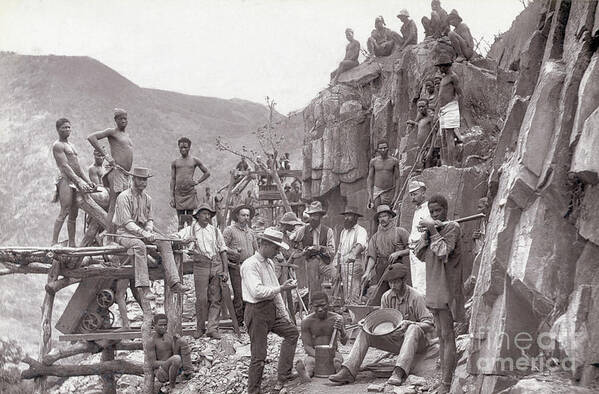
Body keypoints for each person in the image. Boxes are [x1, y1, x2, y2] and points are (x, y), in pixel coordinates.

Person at [329, 264, 433, 386]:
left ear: (404, 281)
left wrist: (410, 323)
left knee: (413, 328)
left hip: (418, 343)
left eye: (396, 282)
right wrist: (367, 323)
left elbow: (430, 324)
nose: (393, 286)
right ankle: (348, 371)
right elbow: (383, 324)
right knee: (364, 332)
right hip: (396, 340)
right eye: (390, 283)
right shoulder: (386, 296)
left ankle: (399, 371)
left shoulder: (417, 297)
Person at [113, 167, 189, 301]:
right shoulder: (123, 197)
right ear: (133, 179)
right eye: (140, 179)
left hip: (143, 232)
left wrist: (148, 229)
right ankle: (145, 287)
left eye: (145, 180)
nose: (143, 182)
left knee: (165, 242)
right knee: (139, 245)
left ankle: (175, 282)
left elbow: (150, 219)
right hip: (124, 234)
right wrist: (144, 233)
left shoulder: (147, 198)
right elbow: (127, 223)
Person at [414, 194, 464, 394]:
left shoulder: (452, 227)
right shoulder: (435, 231)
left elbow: (443, 251)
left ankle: (446, 382)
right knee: (441, 337)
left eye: (438, 211)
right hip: (434, 289)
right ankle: (443, 379)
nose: (435, 214)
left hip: (447, 290)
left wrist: (433, 229)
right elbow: (418, 254)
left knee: (447, 335)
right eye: (432, 212)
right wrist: (427, 233)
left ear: (446, 210)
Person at [241, 228, 299, 393]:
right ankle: (254, 390)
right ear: (264, 244)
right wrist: (281, 287)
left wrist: (284, 314)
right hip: (256, 311)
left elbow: (275, 292)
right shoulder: (250, 265)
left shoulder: (270, 263)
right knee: (259, 356)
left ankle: (284, 373)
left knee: (292, 333)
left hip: (270, 309)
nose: (278, 251)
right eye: (276, 248)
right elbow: (257, 292)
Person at [175, 203, 229, 339]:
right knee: (201, 299)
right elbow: (174, 238)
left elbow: (223, 250)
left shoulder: (215, 230)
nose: (207, 216)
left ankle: (212, 329)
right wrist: (185, 241)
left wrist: (225, 270)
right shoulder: (190, 230)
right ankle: (200, 328)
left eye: (209, 214)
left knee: (216, 298)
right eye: (204, 214)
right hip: (200, 265)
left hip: (216, 264)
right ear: (197, 215)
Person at [87, 108, 134, 237]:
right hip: (116, 172)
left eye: (125, 118)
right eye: (120, 119)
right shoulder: (112, 132)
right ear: (116, 120)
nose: (123, 121)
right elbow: (91, 137)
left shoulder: (127, 135)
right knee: (114, 204)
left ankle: (120, 234)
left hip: (125, 174)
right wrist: (106, 156)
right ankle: (109, 235)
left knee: (124, 204)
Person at [51, 118, 95, 246]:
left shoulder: (71, 145)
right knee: (64, 210)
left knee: (73, 214)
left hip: (76, 180)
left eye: (69, 127)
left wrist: (87, 181)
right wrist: (78, 181)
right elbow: (64, 165)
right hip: (65, 180)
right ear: (58, 129)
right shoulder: (57, 145)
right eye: (64, 127)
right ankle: (53, 242)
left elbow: (78, 167)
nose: (67, 130)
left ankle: (72, 243)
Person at [362, 205, 410, 305]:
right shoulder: (375, 237)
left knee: (399, 293)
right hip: (381, 269)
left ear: (390, 217)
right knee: (382, 296)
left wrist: (398, 253)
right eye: (380, 217)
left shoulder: (400, 232)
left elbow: (412, 249)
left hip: (397, 267)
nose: (382, 219)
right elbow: (372, 257)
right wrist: (367, 272)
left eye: (384, 216)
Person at [296, 291, 348, 382]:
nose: (320, 309)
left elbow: (344, 342)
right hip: (314, 354)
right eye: (316, 306)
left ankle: (340, 375)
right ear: (311, 306)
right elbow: (307, 346)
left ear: (328, 304)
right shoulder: (307, 322)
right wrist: (321, 357)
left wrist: (342, 330)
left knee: (337, 361)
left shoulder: (337, 318)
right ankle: (306, 375)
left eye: (323, 305)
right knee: (310, 363)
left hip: (333, 353)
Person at [291, 201, 335, 301]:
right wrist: (300, 250)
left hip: (324, 261)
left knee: (336, 276)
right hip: (311, 261)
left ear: (320, 216)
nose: (312, 218)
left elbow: (332, 251)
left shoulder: (328, 231)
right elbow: (291, 239)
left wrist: (320, 248)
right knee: (313, 286)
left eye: (315, 215)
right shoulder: (303, 229)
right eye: (311, 215)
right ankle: (313, 307)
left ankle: (332, 301)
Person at [223, 204, 258, 327]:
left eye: (248, 215)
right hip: (236, 266)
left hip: (250, 268)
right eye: (243, 215)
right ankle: (237, 322)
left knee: (250, 292)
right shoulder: (229, 230)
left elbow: (256, 250)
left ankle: (248, 320)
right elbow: (221, 247)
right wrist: (233, 252)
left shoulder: (251, 232)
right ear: (237, 216)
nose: (246, 218)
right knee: (239, 294)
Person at [170, 137, 210, 229]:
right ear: (178, 148)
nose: (183, 149)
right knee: (180, 223)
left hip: (190, 194)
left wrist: (197, 181)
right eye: (181, 147)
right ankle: (180, 242)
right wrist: (172, 196)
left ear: (189, 148)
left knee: (189, 221)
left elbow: (207, 172)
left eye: (185, 147)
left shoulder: (194, 160)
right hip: (178, 194)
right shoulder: (175, 162)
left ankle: (189, 242)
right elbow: (172, 179)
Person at [148, 313, 193, 392]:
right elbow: (153, 363)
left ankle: (188, 372)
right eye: (160, 325)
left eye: (165, 325)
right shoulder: (151, 341)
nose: (163, 327)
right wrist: (169, 362)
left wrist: (177, 342)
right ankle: (172, 386)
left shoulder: (169, 337)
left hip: (173, 369)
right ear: (154, 325)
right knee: (176, 359)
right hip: (161, 372)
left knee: (182, 341)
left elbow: (174, 353)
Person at [334, 206, 368, 303]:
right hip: (344, 264)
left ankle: (354, 308)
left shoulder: (361, 230)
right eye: (345, 215)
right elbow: (340, 251)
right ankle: (348, 309)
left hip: (355, 264)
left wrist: (353, 254)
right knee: (346, 290)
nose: (346, 218)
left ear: (356, 217)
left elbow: (360, 244)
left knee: (353, 289)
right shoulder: (343, 232)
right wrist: (337, 270)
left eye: (349, 216)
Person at [407, 181, 432, 294]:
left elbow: (429, 229)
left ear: (423, 192)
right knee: (415, 283)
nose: (413, 197)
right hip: (412, 249)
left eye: (415, 194)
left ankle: (424, 310)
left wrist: (423, 242)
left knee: (422, 282)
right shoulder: (417, 210)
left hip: (422, 249)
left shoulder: (428, 209)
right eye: (411, 195)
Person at [367, 139, 400, 209]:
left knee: (388, 211)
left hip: (389, 190)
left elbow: (397, 178)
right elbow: (370, 178)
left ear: (388, 148)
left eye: (385, 147)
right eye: (381, 148)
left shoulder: (394, 161)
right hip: (377, 190)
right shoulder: (374, 161)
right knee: (377, 210)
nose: (383, 150)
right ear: (377, 149)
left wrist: (396, 195)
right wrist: (370, 195)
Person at [407, 99, 434, 170]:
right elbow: (421, 126)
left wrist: (430, 151)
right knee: (420, 168)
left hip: (427, 147)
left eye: (423, 106)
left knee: (427, 169)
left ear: (427, 106)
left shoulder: (430, 117)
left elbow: (434, 134)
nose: (421, 108)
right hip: (421, 147)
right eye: (419, 107)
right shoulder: (422, 117)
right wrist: (413, 123)